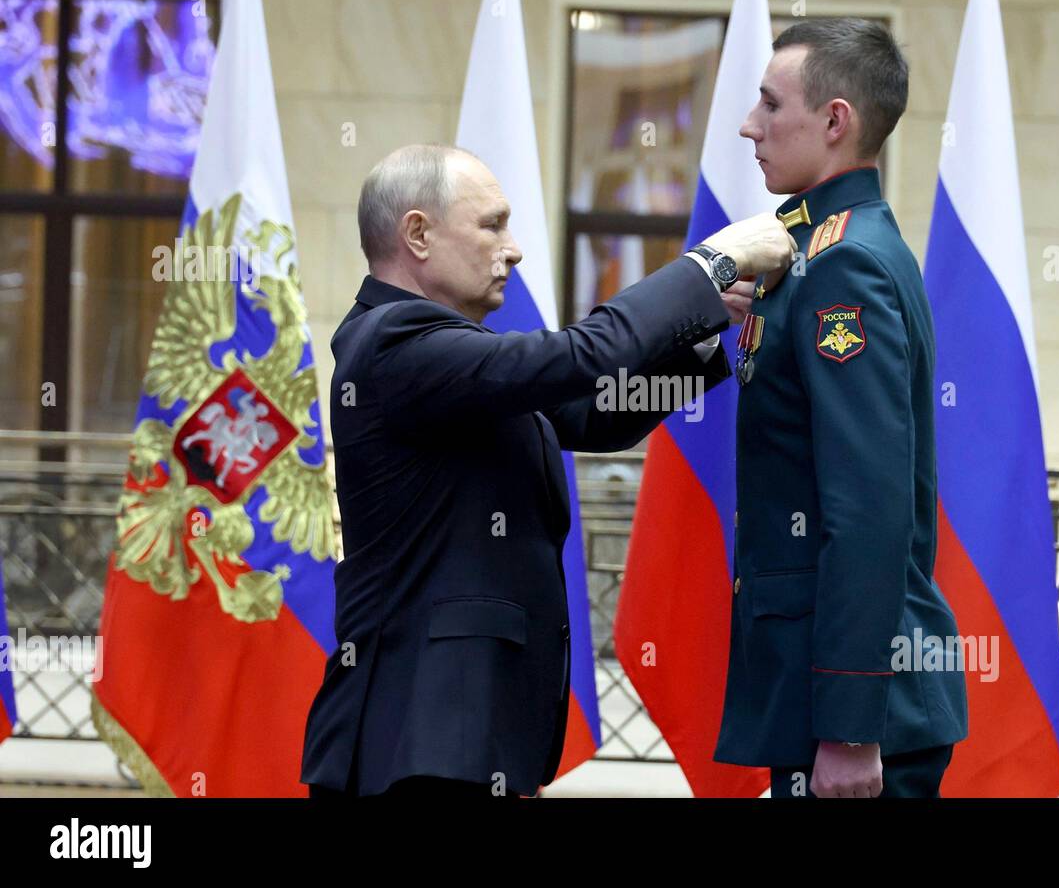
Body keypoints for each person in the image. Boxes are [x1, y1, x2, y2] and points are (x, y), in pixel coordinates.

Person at [301, 143, 793, 798]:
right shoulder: (392, 342)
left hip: (461, 739)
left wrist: (707, 327)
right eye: (492, 225)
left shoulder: (443, 353)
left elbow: (596, 412)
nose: (515, 248)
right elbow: (583, 355)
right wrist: (711, 263)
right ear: (417, 233)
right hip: (418, 743)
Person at [713, 19, 968, 798]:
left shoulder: (842, 263)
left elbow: (866, 508)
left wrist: (852, 726)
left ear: (834, 121)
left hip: (855, 705)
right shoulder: (822, 246)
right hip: (819, 687)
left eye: (769, 103)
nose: (749, 124)